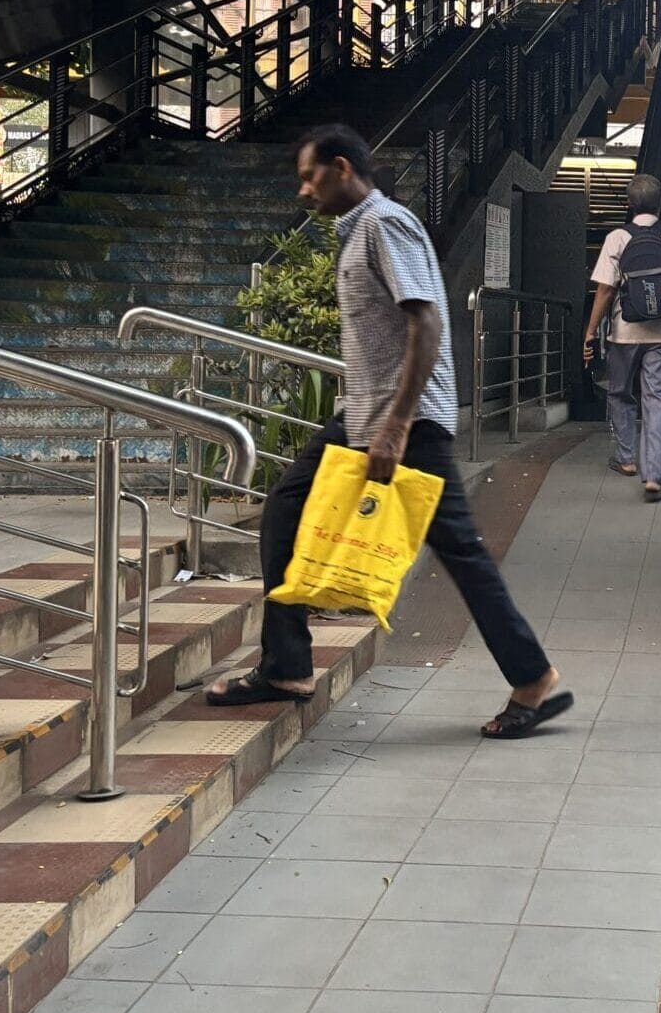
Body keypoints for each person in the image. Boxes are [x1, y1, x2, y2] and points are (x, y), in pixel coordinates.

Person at [209, 125, 573, 739]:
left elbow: (426, 322)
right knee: (284, 509)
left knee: (463, 555)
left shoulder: (384, 225)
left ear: (343, 168)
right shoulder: (357, 234)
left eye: (310, 176)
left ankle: (532, 679)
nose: (303, 190)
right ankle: (287, 666)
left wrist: (397, 427)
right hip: (363, 415)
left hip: (405, 424)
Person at [583, 174, 661, 502]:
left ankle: (626, 458)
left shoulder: (617, 238)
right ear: (659, 204)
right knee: (657, 400)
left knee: (618, 393)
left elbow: (605, 290)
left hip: (625, 332)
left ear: (629, 205)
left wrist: (591, 332)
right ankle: (653, 477)